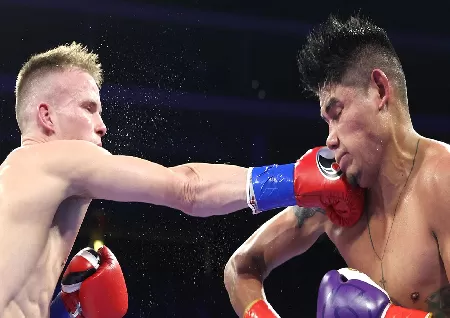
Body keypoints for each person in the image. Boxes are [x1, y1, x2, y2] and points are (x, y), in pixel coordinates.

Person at [0, 42, 364, 318]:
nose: (102, 125)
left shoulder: (20, 181)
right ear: (46, 117)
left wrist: (62, 310)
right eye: (88, 108)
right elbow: (187, 188)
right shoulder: (55, 158)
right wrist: (295, 179)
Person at [224, 13, 450, 318]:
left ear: (380, 91)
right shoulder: (337, 197)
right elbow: (239, 268)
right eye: (326, 122)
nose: (330, 139)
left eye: (337, 112)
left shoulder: (442, 181)